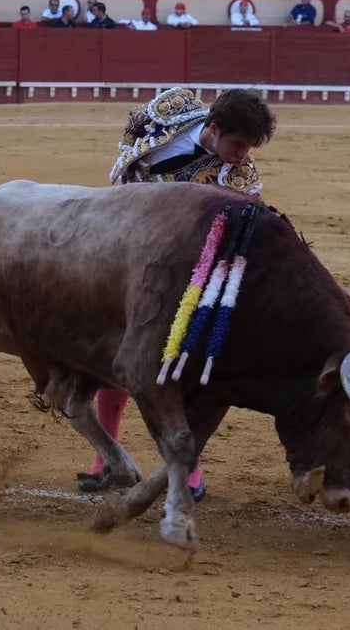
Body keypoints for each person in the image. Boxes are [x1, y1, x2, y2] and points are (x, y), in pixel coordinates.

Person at [80, 87, 278, 499]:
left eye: (249, 147)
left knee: (177, 359)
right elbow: (132, 132)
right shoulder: (172, 107)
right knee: (113, 353)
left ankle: (188, 467)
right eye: (238, 143)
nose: (242, 155)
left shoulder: (239, 180)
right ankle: (107, 460)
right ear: (214, 127)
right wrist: (130, 192)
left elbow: (243, 227)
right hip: (120, 243)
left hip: (176, 269)